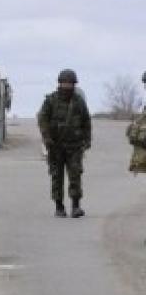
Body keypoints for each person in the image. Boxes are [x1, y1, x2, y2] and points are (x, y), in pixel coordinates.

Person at [37, 68, 91, 218]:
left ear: (74, 84)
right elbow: (43, 120)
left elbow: (86, 121)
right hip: (56, 146)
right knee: (56, 176)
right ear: (60, 83)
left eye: (70, 83)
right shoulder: (51, 101)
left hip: (74, 146)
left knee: (75, 175)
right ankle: (59, 206)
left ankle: (76, 206)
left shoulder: (79, 102)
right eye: (64, 83)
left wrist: (87, 140)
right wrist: (47, 137)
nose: (67, 86)